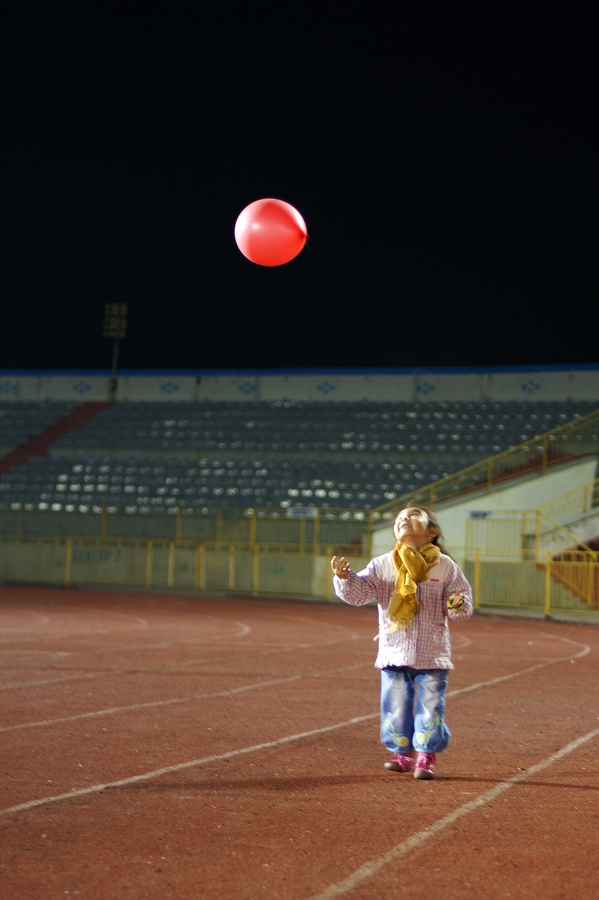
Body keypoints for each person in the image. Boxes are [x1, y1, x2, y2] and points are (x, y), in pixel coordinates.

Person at [331, 504, 473, 780]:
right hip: (394, 651)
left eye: (414, 515)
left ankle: (426, 755)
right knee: (395, 707)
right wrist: (344, 578)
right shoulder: (382, 565)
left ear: (432, 531)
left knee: (430, 706)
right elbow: (360, 594)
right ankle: (402, 753)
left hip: (432, 653)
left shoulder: (445, 566)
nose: (404, 519)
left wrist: (457, 603)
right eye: (400, 518)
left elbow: (461, 606)